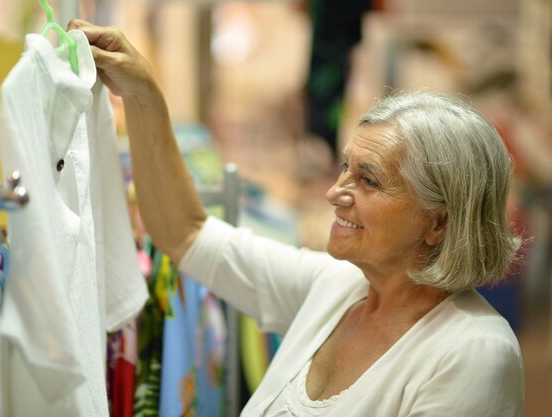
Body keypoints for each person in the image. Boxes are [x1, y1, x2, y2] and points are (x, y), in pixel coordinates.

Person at [68, 20, 525, 417]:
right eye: (344, 168)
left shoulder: (472, 354)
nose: (333, 193)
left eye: (367, 181)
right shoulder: (336, 289)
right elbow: (186, 234)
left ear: (439, 222)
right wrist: (144, 92)